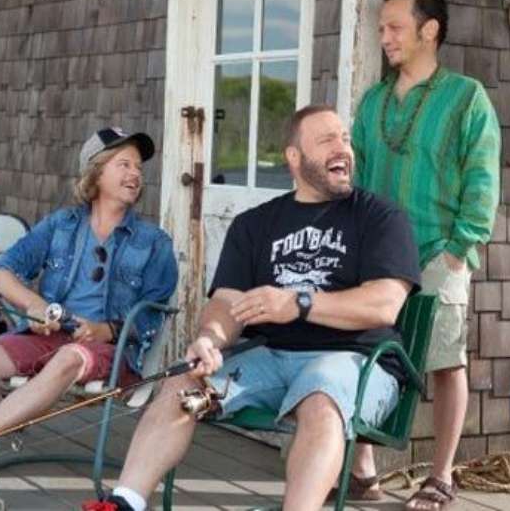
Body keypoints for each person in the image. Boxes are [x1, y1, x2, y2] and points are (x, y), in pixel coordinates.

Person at [81, 105, 422, 511]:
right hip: (271, 359)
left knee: (321, 395)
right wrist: (210, 340)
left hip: (356, 360)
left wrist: (299, 302)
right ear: (294, 157)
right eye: (327, 140)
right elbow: (227, 303)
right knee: (181, 383)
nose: (342, 148)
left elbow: (384, 304)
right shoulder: (254, 224)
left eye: (345, 139)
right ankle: (125, 502)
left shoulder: (380, 217)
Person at [0, 128, 179, 503]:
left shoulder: (153, 242)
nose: (135, 174)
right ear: (96, 171)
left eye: (138, 167)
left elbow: (153, 315)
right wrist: (34, 306)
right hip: (51, 335)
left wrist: (104, 329)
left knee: (69, 356)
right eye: (124, 164)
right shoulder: (61, 225)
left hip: (112, 350)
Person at [351, 0, 501, 507]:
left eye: (395, 28)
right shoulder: (372, 101)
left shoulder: (466, 98)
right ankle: (364, 470)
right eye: (381, 29)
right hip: (376, 255)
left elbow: (482, 179)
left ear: (429, 30)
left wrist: (460, 248)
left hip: (440, 250)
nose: (385, 38)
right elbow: (358, 178)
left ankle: (441, 475)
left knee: (445, 361)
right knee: (366, 352)